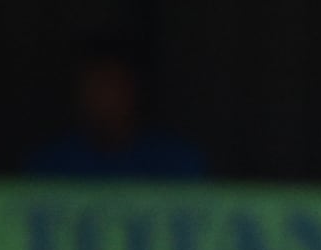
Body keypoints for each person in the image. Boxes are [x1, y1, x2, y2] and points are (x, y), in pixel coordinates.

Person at [28, 38, 202, 180]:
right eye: (90, 87)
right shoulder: (50, 165)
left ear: (132, 89)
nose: (98, 99)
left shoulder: (175, 162)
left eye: (108, 86)